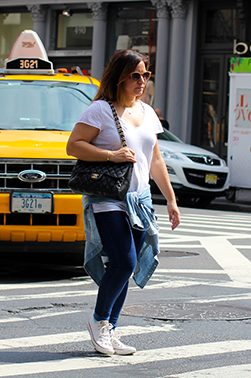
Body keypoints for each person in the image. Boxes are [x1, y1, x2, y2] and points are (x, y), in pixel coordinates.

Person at [66, 49, 180, 356]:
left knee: (125, 267)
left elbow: (155, 159)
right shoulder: (101, 110)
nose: (142, 80)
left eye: (146, 74)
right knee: (125, 261)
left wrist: (170, 199)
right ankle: (99, 320)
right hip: (109, 197)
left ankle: (110, 329)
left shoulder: (147, 112)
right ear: (120, 77)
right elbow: (73, 145)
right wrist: (110, 155)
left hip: (140, 200)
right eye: (135, 75)